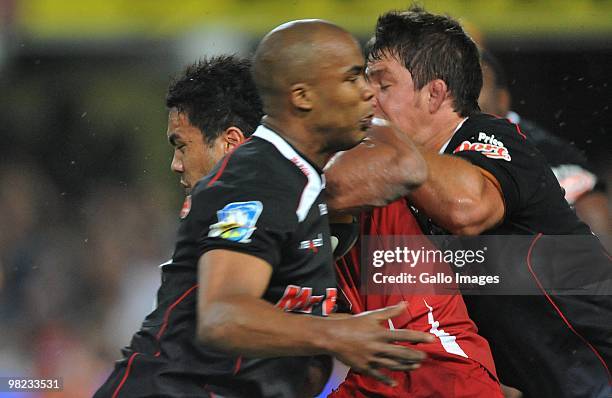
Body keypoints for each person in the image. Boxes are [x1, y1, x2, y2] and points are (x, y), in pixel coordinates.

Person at [94, 22, 435, 398]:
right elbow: (222, 318)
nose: (367, 91)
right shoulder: (254, 181)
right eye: (351, 79)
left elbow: (407, 168)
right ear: (303, 96)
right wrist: (336, 334)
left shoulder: (297, 179)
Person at [351, 6, 610, 398]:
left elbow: (466, 209)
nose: (368, 98)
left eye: (382, 85)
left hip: (596, 370)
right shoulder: (401, 182)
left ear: (435, 93)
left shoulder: (492, 136)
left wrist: (383, 137)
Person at [478, 49, 610, 244]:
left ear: (502, 100)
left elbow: (593, 213)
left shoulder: (544, 153)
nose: (460, 90)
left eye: (474, 82)